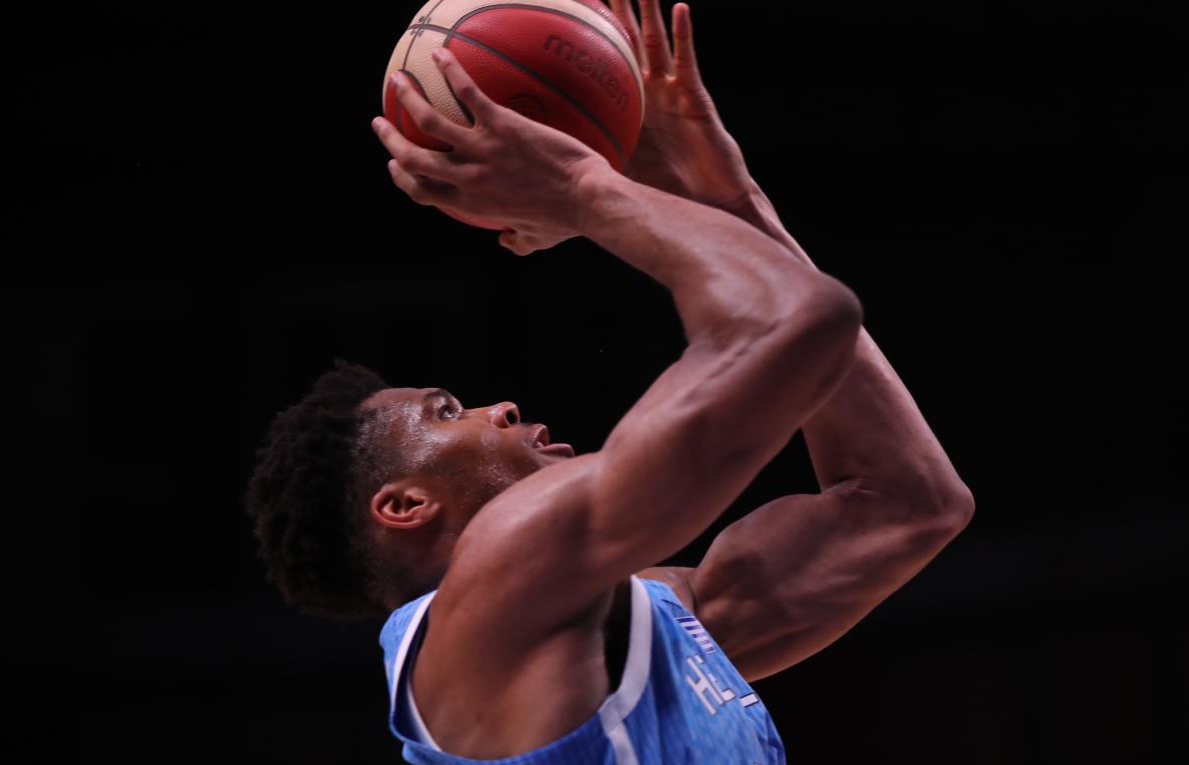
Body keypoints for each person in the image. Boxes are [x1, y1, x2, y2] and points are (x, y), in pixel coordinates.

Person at [244, 3, 974, 763]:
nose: (501, 408)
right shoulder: (497, 583)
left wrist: (724, 200)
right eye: (446, 411)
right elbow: (800, 321)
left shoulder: (630, 614)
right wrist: (583, 187)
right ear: (405, 505)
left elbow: (908, 503)